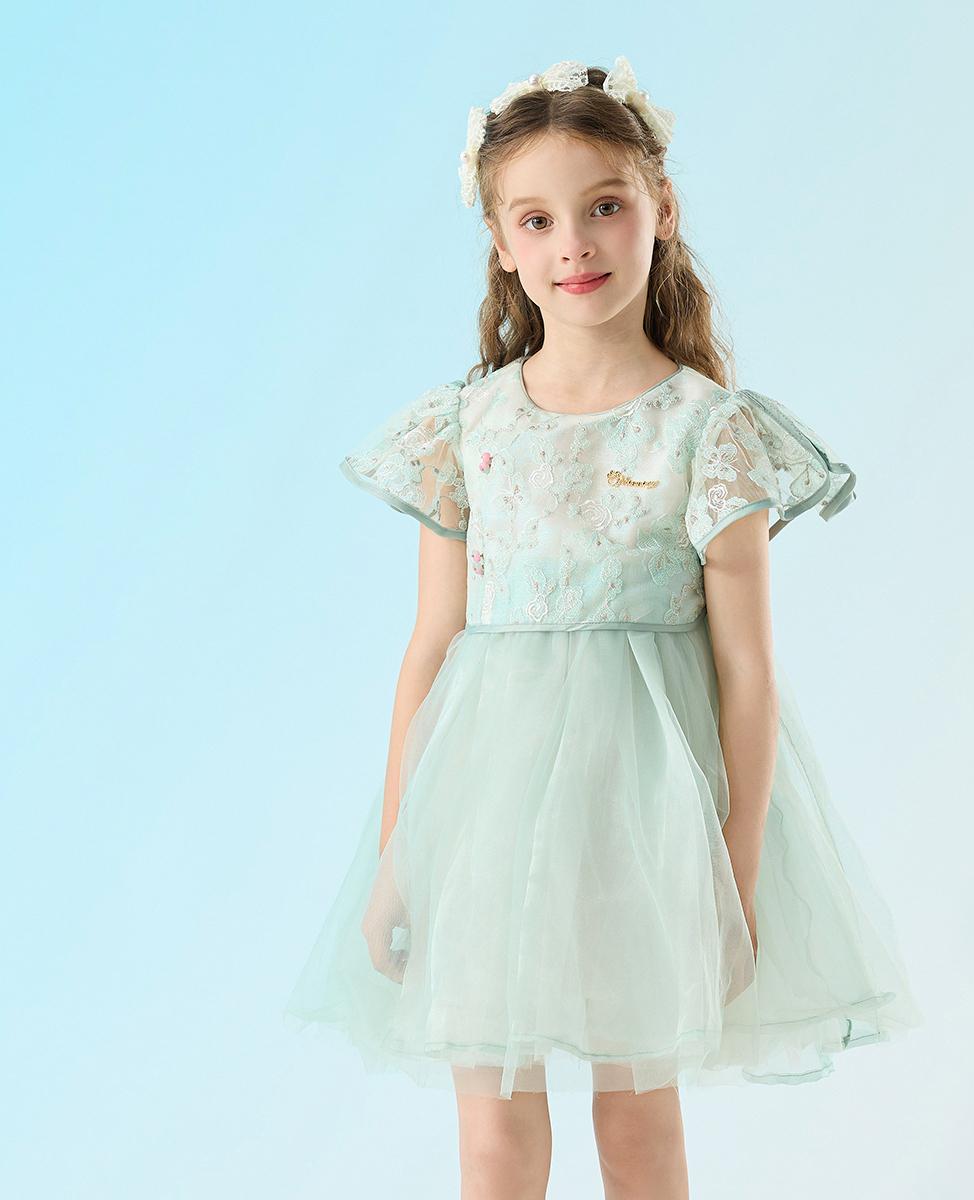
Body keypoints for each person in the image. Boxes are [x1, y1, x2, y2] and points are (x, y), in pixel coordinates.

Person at [284, 54, 921, 1199]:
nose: (573, 243)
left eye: (605, 207)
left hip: (647, 823)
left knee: (637, 1128)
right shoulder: (466, 426)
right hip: (484, 820)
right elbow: (431, 647)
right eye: (537, 219)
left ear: (660, 210)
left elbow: (746, 669)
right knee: (494, 1134)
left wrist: (733, 877)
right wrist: (397, 859)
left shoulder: (709, 431)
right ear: (500, 241)